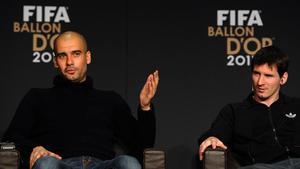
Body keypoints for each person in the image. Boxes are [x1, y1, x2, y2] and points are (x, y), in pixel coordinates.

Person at [2, 31, 159, 169]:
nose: (69, 62)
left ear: (87, 57)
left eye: (76, 54)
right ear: (55, 61)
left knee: (128, 163)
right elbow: (10, 140)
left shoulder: (110, 100)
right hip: (58, 163)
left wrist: (145, 107)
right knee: (46, 164)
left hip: (102, 165)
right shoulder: (37, 97)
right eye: (62, 55)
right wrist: (34, 148)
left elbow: (142, 147)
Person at [198, 46, 300, 169]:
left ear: (283, 78)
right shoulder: (235, 111)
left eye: (268, 76)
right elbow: (214, 135)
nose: (260, 82)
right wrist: (212, 138)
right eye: (257, 74)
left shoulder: (296, 106)